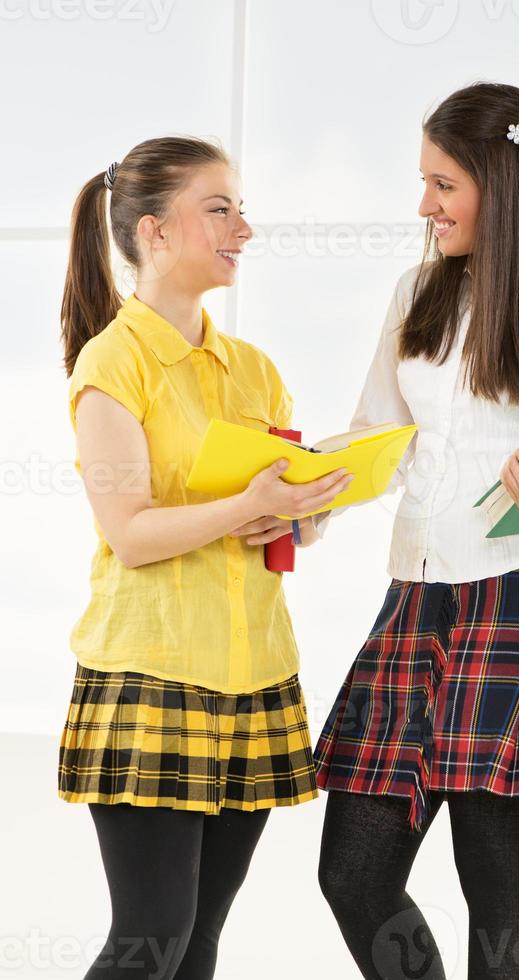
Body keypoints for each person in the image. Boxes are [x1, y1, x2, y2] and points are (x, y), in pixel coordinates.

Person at [305, 82, 519, 980]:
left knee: (496, 889)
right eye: (424, 182)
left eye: (443, 184)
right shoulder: (415, 290)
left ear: (502, 185)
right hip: (416, 601)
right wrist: (298, 495)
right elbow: (376, 435)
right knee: (353, 871)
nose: (424, 206)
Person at [57, 135, 353, 979]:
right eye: (219, 208)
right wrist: (250, 504)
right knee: (150, 942)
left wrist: (304, 511)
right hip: (149, 678)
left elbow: (265, 525)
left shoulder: (254, 372)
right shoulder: (112, 362)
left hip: (252, 677)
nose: (243, 227)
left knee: (197, 946)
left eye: (241, 208)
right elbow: (130, 532)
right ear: (153, 233)